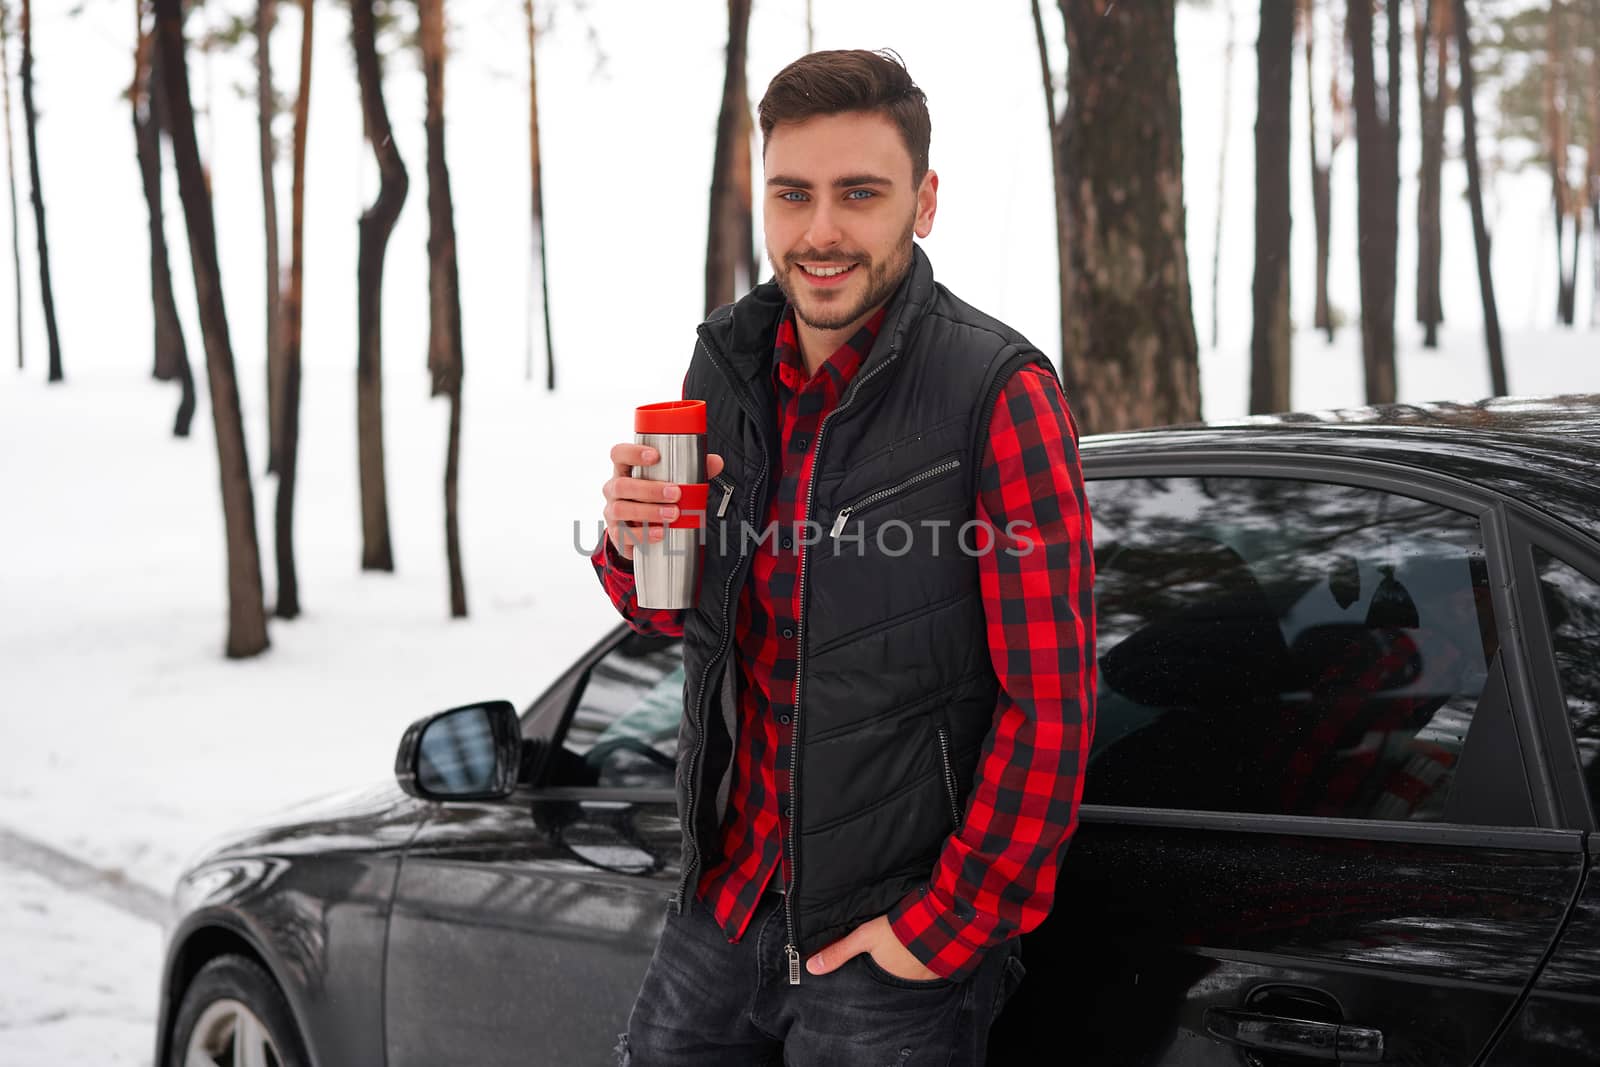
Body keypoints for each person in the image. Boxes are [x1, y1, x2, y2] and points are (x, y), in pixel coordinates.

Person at [593, 49, 1096, 1067]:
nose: (820, 231)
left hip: (886, 941)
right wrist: (629, 539)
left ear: (923, 202)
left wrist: (941, 929)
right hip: (723, 909)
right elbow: (675, 615)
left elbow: (1054, 703)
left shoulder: (998, 392)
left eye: (858, 194)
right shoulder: (726, 362)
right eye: (794, 194)